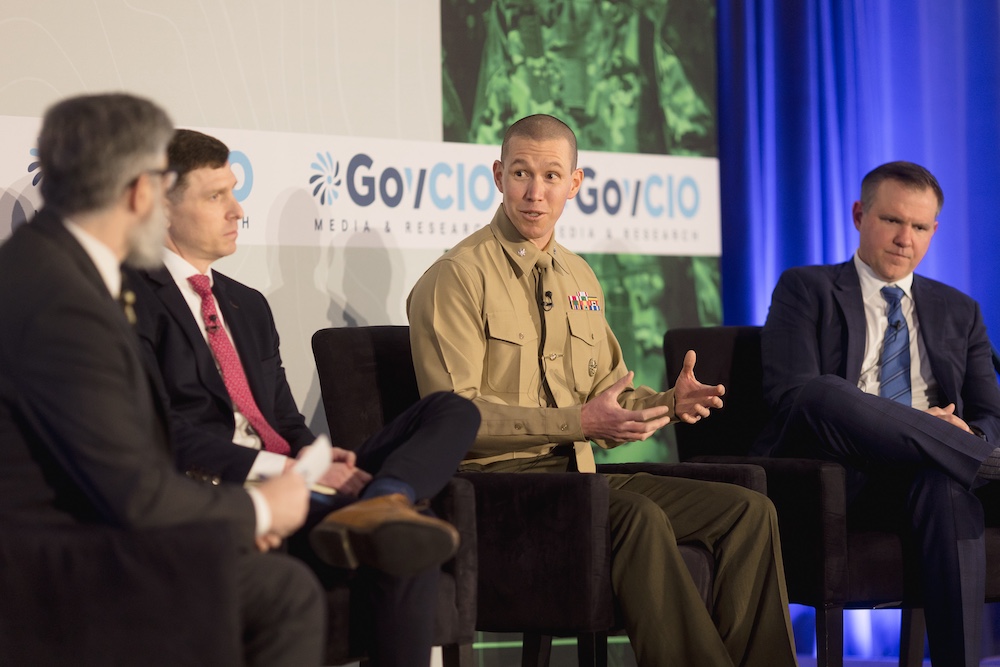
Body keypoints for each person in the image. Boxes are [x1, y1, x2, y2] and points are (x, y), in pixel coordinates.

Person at [407, 113, 798, 667]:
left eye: (549, 177)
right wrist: (578, 424)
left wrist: (665, 404)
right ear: (497, 176)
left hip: (578, 481)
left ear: (575, 184)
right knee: (637, 516)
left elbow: (605, 398)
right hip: (495, 491)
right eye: (520, 173)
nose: (534, 192)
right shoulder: (457, 277)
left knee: (749, 511)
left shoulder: (579, 278)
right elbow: (454, 420)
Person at [126, 128, 480, 667]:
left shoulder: (247, 305)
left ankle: (384, 498)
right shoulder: (130, 301)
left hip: (298, 474)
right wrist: (286, 470)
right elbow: (162, 433)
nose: (238, 210)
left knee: (453, 409)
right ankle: (382, 514)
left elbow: (283, 418)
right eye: (216, 196)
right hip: (230, 487)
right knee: (404, 546)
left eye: (235, 192)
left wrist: (318, 457)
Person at [0, 93, 325, 666]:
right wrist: (259, 511)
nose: (236, 209)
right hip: (53, 567)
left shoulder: (52, 266)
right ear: (141, 191)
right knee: (283, 593)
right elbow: (132, 491)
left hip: (86, 529)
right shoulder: (62, 299)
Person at [753, 161, 1000, 667]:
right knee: (822, 392)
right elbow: (790, 398)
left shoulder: (961, 310)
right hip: (841, 474)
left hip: (924, 476)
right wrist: (943, 435)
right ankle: (977, 460)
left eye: (919, 226)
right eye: (891, 220)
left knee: (945, 483)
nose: (904, 238)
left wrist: (968, 431)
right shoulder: (806, 288)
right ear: (859, 215)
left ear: (934, 231)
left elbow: (990, 414)